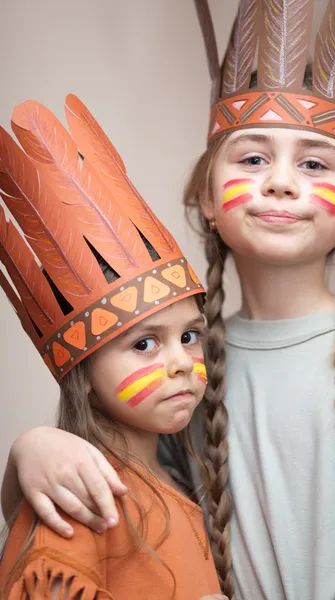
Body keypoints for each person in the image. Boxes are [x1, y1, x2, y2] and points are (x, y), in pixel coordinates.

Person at [2, 1, 335, 599]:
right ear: (207, 196)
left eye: (314, 163)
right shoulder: (186, 367)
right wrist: (26, 457)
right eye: (254, 158)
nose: (281, 181)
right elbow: (123, 498)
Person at [0, 95, 225, 600]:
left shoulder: (168, 482)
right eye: (144, 344)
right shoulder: (81, 498)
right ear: (84, 369)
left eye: (189, 336)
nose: (178, 364)